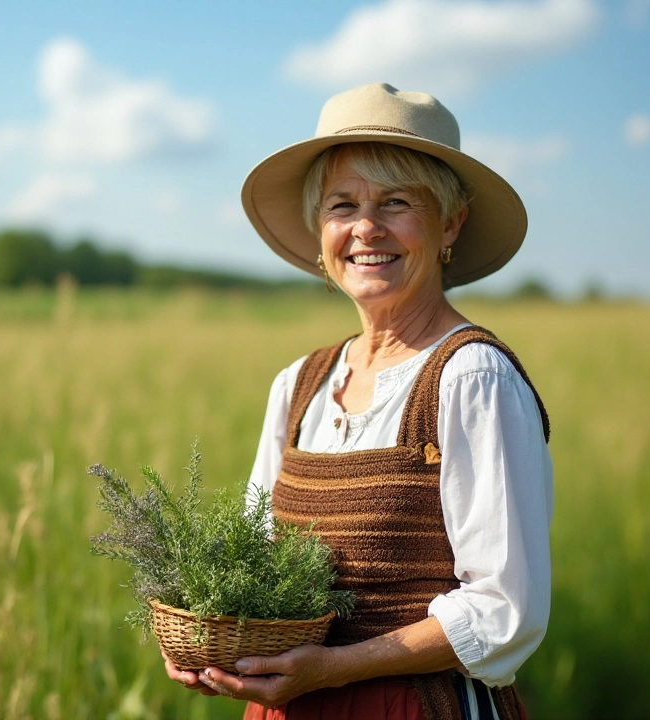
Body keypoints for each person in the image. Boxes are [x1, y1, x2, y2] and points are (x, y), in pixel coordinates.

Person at [162, 83, 554, 720]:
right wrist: (210, 637)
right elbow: (257, 559)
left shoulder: (471, 378)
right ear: (321, 232)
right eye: (343, 205)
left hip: (415, 706)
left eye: (396, 202)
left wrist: (336, 668)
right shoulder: (298, 384)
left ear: (450, 222)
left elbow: (505, 610)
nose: (366, 229)